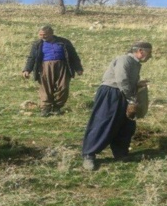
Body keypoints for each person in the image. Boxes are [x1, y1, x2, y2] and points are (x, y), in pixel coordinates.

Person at [81, 41, 152, 171]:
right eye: (149, 52)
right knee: (103, 123)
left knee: (126, 125)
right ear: (140, 51)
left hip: (123, 93)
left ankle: (121, 154)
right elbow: (121, 80)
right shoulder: (125, 59)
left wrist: (137, 84)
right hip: (111, 93)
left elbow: (127, 82)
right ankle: (89, 154)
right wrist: (131, 99)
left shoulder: (135, 63)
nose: (150, 56)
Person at [22, 25, 84, 117]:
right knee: (46, 87)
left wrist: (78, 68)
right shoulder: (37, 44)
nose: (42, 37)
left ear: (51, 34)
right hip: (45, 67)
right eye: (40, 35)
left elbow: (73, 56)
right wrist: (27, 70)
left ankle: (57, 107)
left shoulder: (64, 42)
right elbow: (32, 58)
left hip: (62, 66)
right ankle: (46, 108)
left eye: (45, 35)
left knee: (63, 87)